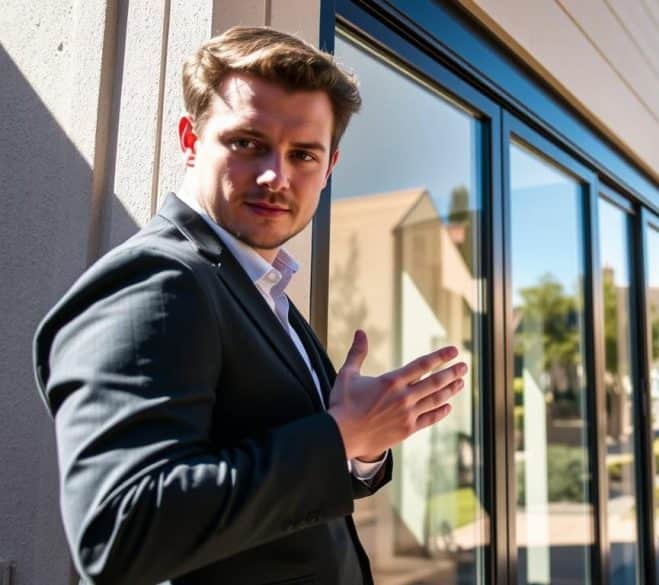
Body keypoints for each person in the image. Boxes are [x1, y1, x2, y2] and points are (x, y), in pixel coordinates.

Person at [32, 26, 466, 585]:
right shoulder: (157, 283)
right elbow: (120, 528)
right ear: (191, 139)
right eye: (246, 143)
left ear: (329, 168)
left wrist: (361, 449)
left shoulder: (259, 285)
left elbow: (282, 481)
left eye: (303, 154)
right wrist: (340, 437)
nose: (275, 176)